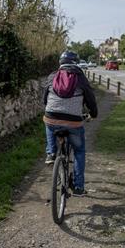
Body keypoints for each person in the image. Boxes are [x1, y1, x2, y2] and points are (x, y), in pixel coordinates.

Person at [43, 51, 98, 197]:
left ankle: (51, 153)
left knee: (48, 122)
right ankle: (78, 187)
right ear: (76, 63)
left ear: (60, 62)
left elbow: (45, 97)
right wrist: (93, 113)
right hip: (73, 122)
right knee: (79, 151)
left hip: (52, 117)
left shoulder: (52, 76)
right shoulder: (80, 78)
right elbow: (90, 99)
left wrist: (48, 109)